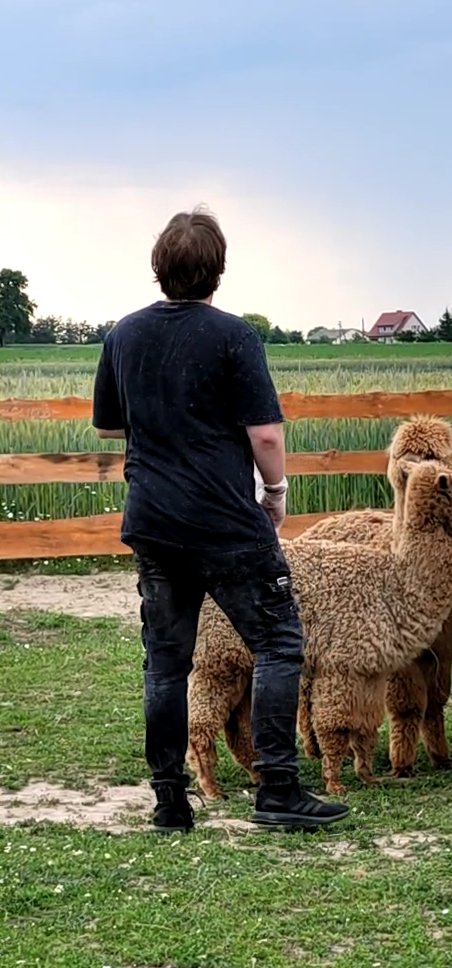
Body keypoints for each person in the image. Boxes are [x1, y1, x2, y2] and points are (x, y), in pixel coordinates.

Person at [91, 207, 349, 833]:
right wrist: (277, 490)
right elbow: (263, 433)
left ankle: (169, 801)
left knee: (165, 661)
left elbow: (107, 423)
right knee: (279, 642)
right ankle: (278, 789)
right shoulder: (235, 337)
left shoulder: (123, 336)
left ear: (160, 267)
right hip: (226, 521)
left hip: (152, 519)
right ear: (218, 270)